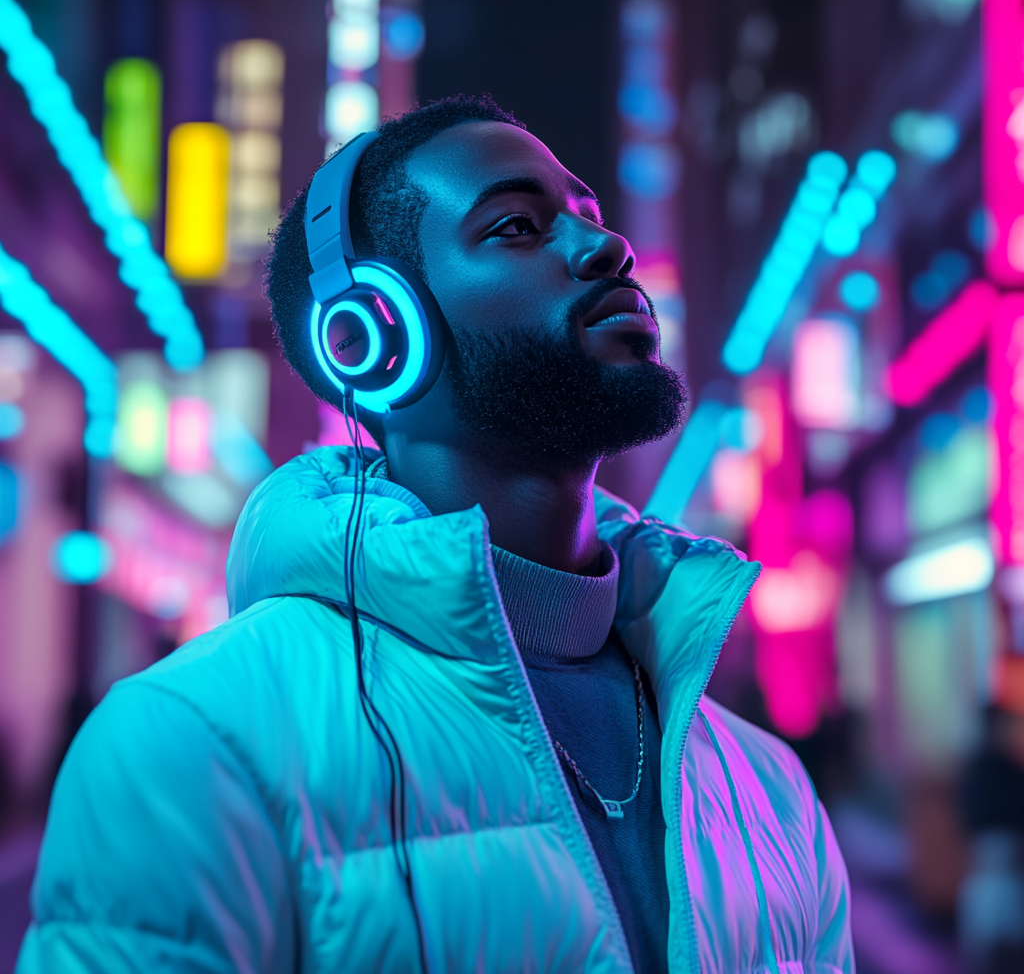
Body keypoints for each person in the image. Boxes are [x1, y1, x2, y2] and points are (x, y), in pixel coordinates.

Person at [17, 94, 853, 973]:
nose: (609, 249)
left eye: (590, 217)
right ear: (372, 338)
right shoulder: (191, 744)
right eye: (517, 228)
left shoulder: (768, 791)